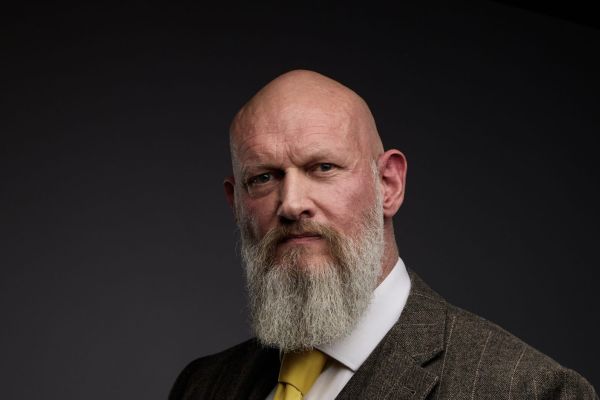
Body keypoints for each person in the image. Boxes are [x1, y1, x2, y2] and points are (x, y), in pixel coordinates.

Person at [169, 70, 597, 399]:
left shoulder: (528, 391)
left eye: (323, 167)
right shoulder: (202, 386)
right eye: (263, 177)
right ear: (236, 204)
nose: (292, 203)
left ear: (388, 185)